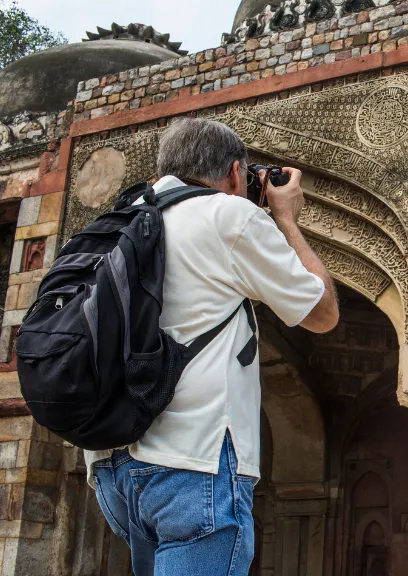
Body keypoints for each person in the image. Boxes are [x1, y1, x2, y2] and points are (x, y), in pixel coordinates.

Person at [85, 118, 339, 575]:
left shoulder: (121, 218)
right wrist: (285, 219)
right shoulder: (228, 215)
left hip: (113, 464)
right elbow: (322, 314)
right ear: (237, 173)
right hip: (194, 462)